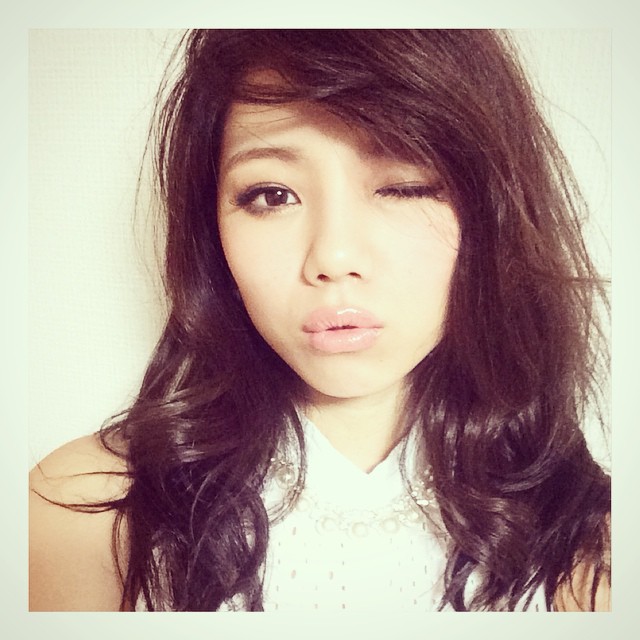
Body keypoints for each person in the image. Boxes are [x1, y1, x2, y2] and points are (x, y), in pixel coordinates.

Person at [29, 29, 611, 612]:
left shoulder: (595, 550)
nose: (332, 257)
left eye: (404, 187)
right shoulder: (80, 516)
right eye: (271, 195)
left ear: (493, 212)